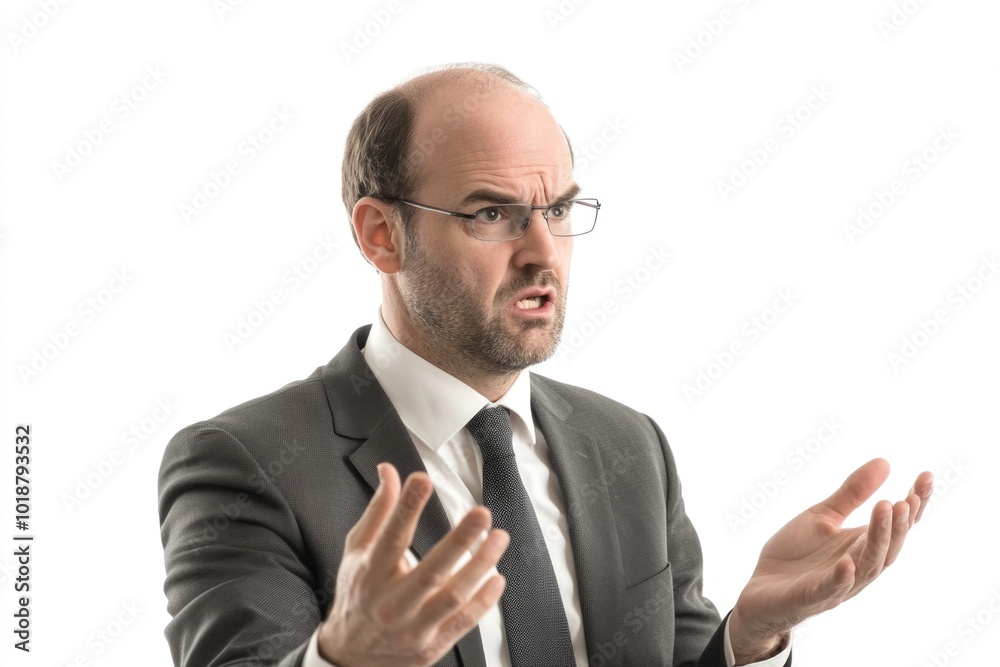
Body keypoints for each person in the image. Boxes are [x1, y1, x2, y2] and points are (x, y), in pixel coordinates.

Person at [158, 63, 933, 667]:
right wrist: (345, 659)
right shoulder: (245, 462)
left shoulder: (628, 445)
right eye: (492, 213)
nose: (542, 253)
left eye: (558, 210)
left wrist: (752, 637)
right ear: (380, 235)